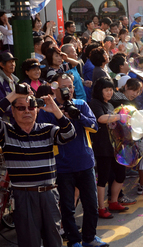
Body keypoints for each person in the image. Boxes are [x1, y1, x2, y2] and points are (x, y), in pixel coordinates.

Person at [37, 75, 108, 247]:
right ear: (54, 88)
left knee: (91, 204)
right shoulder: (47, 109)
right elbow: (42, 133)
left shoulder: (81, 104)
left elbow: (94, 126)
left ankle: (90, 237)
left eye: (70, 86)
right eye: (63, 86)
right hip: (62, 166)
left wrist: (79, 117)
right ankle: (74, 240)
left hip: (85, 162)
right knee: (68, 207)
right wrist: (59, 114)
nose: (68, 89)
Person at [0, 86, 75, 247]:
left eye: (31, 107)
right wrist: (14, 95)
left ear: (37, 110)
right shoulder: (6, 132)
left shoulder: (47, 129)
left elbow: (70, 134)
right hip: (23, 195)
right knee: (29, 241)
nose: (27, 111)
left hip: (49, 194)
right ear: (12, 111)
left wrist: (55, 110)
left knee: (54, 240)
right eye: (20, 108)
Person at [89, 77, 129, 217]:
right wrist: (119, 117)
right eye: (106, 90)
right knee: (103, 178)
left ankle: (113, 201)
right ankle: (101, 207)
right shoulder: (95, 103)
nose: (109, 92)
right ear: (99, 90)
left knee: (120, 174)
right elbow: (100, 118)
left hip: (115, 146)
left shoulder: (110, 105)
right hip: (102, 146)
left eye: (111, 89)